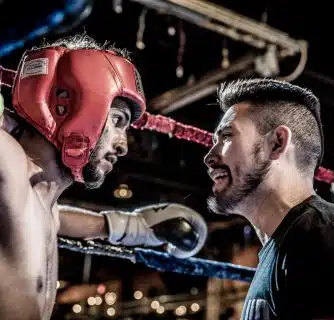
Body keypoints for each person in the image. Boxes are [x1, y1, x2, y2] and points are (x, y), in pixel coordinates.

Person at [0, 34, 207, 320]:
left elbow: (61, 219)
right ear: (69, 104)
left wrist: (133, 227)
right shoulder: (8, 164)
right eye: (118, 121)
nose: (123, 145)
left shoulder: (41, 204)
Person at [204, 78, 334, 319]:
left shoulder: (326, 239)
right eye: (214, 142)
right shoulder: (288, 247)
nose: (209, 156)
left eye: (227, 136)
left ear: (277, 143)